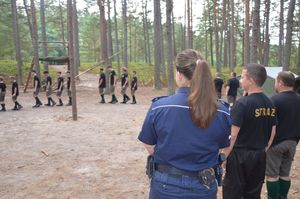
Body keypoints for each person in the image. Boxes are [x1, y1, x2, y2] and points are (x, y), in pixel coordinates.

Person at [138, 49, 231, 199]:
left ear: (180, 76)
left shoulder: (160, 107)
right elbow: (225, 145)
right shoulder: (222, 111)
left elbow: (149, 143)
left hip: (165, 185)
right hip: (203, 185)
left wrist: (170, 156)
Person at [222, 63, 277, 199]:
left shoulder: (242, 104)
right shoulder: (270, 104)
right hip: (259, 156)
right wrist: (262, 150)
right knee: (253, 193)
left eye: (243, 76)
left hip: (239, 156)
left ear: (251, 80)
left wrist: (224, 156)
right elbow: (273, 132)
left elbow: (233, 135)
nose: (240, 80)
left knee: (232, 193)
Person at [265, 71, 300, 199]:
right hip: (293, 142)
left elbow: (268, 123)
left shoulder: (274, 100)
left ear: (280, 82)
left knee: (272, 175)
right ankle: (283, 197)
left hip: (276, 143)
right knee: (285, 174)